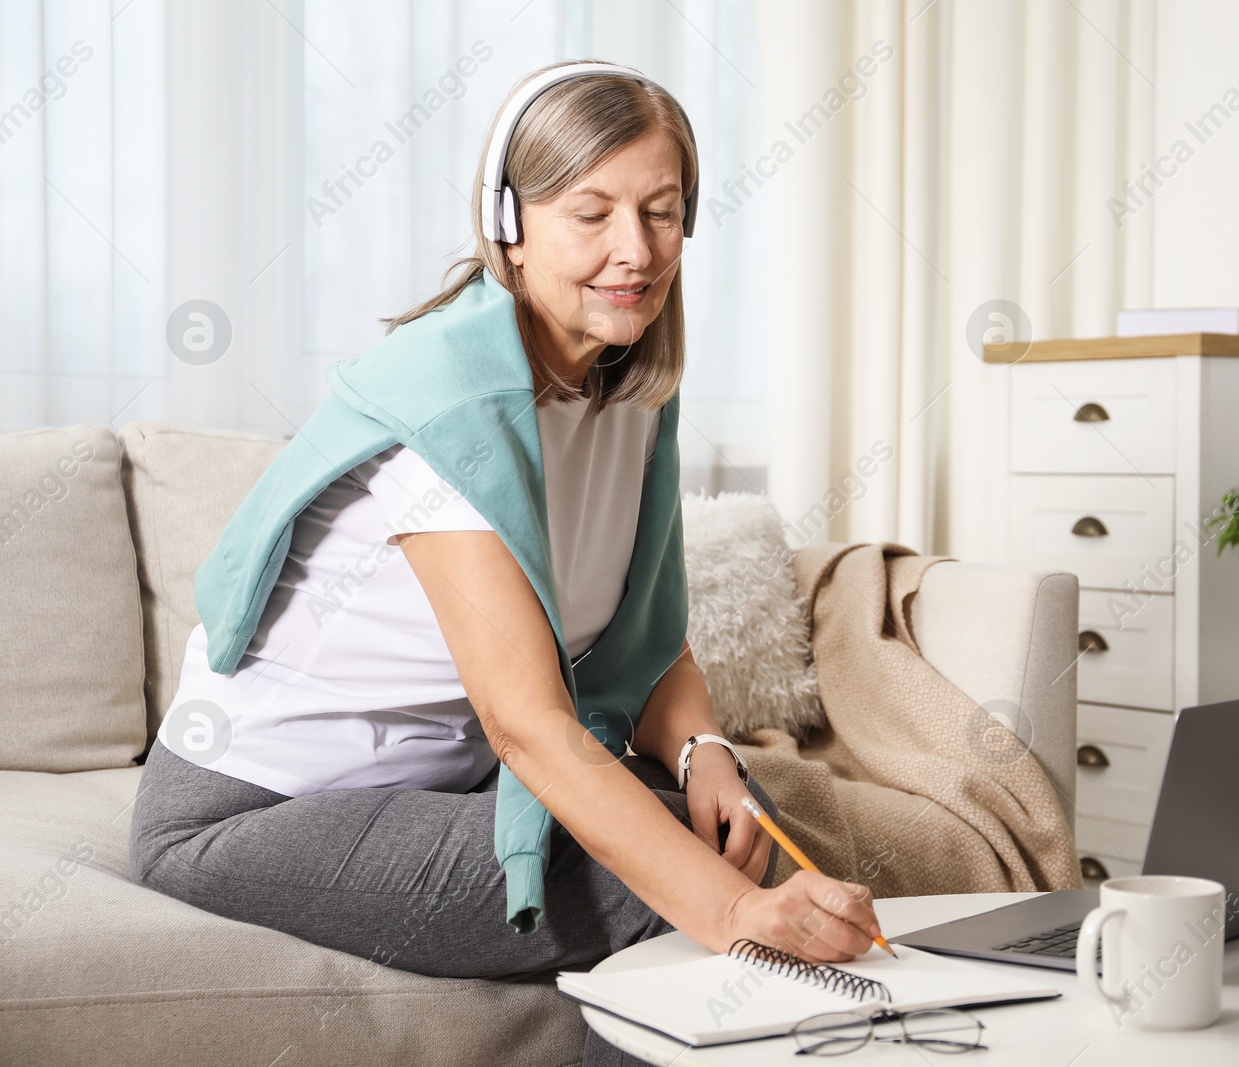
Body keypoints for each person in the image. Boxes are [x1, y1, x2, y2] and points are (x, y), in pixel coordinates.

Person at [127, 59, 884, 1067]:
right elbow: (529, 725)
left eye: (662, 212)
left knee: (744, 831)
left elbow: (646, 643)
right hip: (255, 809)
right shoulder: (449, 409)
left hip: (436, 789)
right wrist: (735, 911)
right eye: (592, 213)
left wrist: (709, 756)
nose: (635, 250)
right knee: (672, 900)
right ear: (508, 225)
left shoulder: (625, 399)